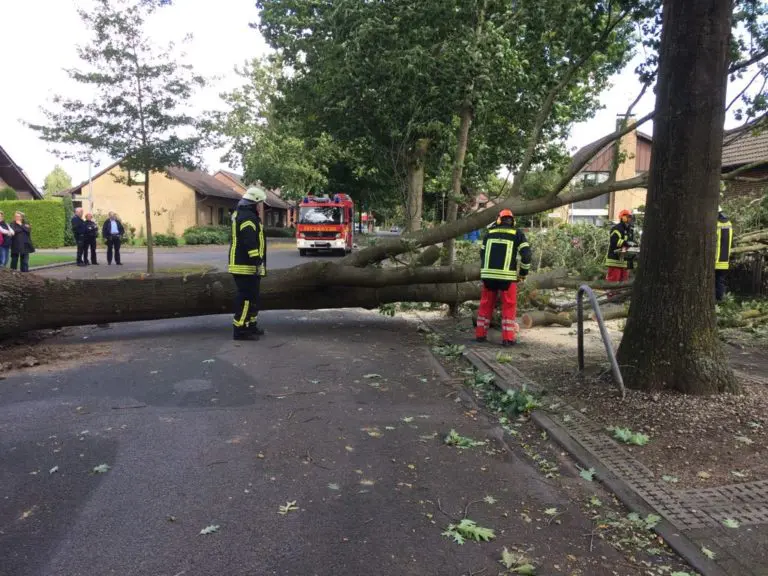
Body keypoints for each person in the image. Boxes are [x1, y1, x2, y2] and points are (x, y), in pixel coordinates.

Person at [475, 209, 532, 346]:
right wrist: (523, 274)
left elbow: (482, 254)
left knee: (485, 305)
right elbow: (527, 255)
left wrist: (487, 271)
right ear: (513, 221)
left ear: (498, 219)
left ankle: (480, 336)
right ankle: (507, 339)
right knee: (509, 307)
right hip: (507, 278)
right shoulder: (517, 233)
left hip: (488, 277)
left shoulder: (489, 234)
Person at [228, 185, 267, 341]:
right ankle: (239, 330)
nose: (260, 206)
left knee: (253, 298)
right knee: (245, 298)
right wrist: (257, 260)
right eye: (260, 203)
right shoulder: (247, 218)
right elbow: (249, 242)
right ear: (254, 203)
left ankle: (250, 326)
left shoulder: (246, 215)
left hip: (249, 266)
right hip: (245, 266)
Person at [605, 209, 635, 282]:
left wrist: (634, 245)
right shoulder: (617, 228)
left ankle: (620, 293)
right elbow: (614, 242)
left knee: (624, 281)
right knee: (613, 280)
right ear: (623, 217)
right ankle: (611, 293)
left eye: (631, 217)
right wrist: (626, 243)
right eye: (629, 217)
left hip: (624, 260)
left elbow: (631, 241)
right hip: (614, 259)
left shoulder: (630, 230)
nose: (630, 219)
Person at [715, 206, 733, 302]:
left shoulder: (715, 224)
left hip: (714, 260)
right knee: (720, 281)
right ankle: (720, 301)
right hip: (724, 259)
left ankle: (717, 301)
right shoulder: (729, 223)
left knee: (714, 282)